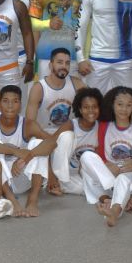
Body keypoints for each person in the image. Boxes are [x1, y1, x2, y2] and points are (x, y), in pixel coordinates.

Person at [79, 86, 132, 227]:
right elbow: (100, 155)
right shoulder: (104, 126)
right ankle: (126, 202)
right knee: (86, 158)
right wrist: (107, 164)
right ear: (112, 105)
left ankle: (115, 210)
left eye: (128, 105)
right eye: (119, 104)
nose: (123, 109)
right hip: (110, 175)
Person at [0, 85, 61, 217]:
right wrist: (16, 152)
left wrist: (27, 156)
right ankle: (12, 200)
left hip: (20, 176)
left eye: (15, 101)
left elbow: (52, 143)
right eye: (6, 101)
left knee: (37, 143)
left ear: (20, 104)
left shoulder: (28, 124)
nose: (10, 106)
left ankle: (32, 199)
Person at [27, 48, 85, 195]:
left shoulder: (77, 84)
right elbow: (30, 125)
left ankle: (55, 180)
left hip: (65, 138)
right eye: (59, 62)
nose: (63, 66)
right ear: (51, 65)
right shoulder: (39, 88)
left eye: (67, 63)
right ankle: (51, 179)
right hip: (42, 136)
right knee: (36, 142)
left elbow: (90, 112)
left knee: (68, 135)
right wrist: (49, 140)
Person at [52, 87, 102, 195]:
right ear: (80, 109)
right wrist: (51, 175)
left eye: (94, 107)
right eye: (86, 107)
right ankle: (56, 180)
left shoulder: (101, 127)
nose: (91, 111)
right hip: (61, 169)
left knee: (84, 189)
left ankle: (59, 185)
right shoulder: (71, 124)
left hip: (78, 174)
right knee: (67, 136)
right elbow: (50, 145)